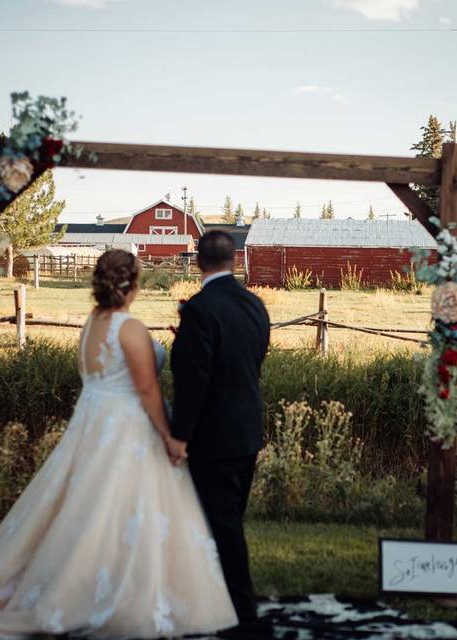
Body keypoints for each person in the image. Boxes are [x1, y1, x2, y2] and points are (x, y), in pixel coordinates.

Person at [0, 250, 238, 639]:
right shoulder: (128, 327)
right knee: (124, 507)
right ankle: (122, 595)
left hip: (92, 422)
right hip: (126, 427)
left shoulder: (93, 322)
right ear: (134, 283)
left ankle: (96, 582)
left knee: (92, 508)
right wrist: (169, 437)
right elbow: (146, 389)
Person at [168, 230, 271, 627]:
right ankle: (213, 601)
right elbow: (247, 362)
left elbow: (195, 381)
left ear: (198, 261)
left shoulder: (199, 309)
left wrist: (179, 435)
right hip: (247, 429)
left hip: (214, 437)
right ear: (236, 260)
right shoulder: (255, 305)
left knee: (222, 528)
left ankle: (241, 616)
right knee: (228, 520)